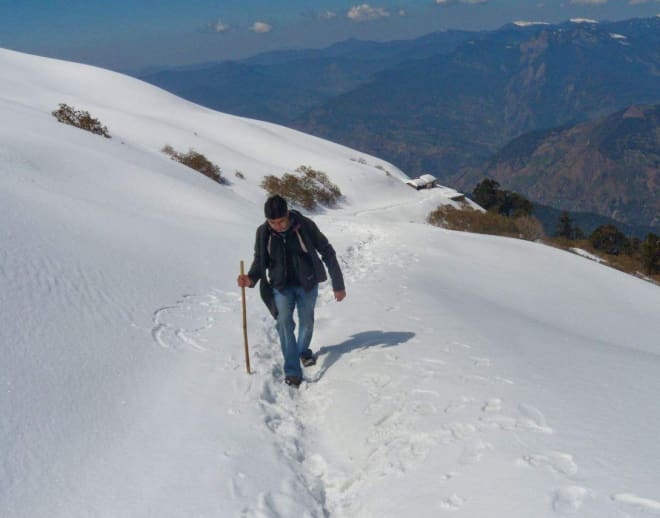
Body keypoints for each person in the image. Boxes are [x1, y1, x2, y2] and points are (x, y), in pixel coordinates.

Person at [237, 195, 346, 388]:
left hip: (308, 284)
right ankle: (293, 370)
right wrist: (251, 278)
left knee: (307, 322)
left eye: (281, 221)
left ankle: (303, 351)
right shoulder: (263, 233)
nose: (277, 226)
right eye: (273, 222)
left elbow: (327, 251)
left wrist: (338, 284)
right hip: (280, 286)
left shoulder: (305, 226)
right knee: (284, 322)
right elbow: (260, 259)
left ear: (288, 214)